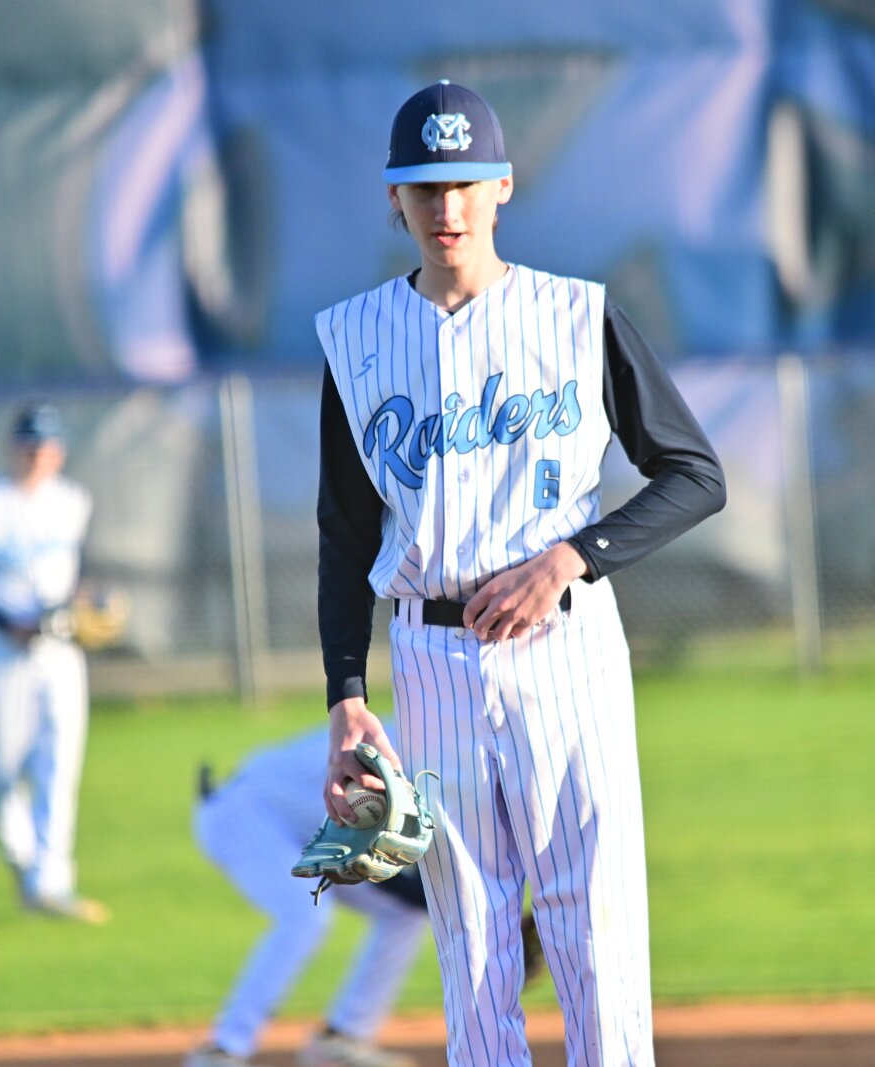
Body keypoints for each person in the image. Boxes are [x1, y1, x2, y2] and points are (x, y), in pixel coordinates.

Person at [315, 82, 726, 1066]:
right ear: (394, 197)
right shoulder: (356, 341)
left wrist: (573, 556)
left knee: (596, 929)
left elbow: (694, 474)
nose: (446, 206)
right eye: (425, 185)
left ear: (502, 185)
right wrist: (346, 693)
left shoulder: (578, 317)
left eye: (464, 182)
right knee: (473, 942)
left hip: (566, 648)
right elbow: (344, 535)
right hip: (431, 660)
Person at [183, 721, 434, 1067]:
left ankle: (344, 1037)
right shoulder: (400, 749)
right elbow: (374, 862)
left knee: (405, 914)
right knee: (305, 916)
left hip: (305, 826)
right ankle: (223, 1049)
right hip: (245, 813)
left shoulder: (430, 747)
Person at [0, 404, 108, 924]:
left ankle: (51, 883)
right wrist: (2, 620)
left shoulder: (72, 501)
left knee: (60, 765)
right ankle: (22, 864)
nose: (37, 455)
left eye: (46, 446)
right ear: (12, 448)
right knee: (3, 772)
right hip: (1, 654)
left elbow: (77, 569)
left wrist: (91, 603)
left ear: (59, 452)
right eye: (30, 445)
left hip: (59, 651)